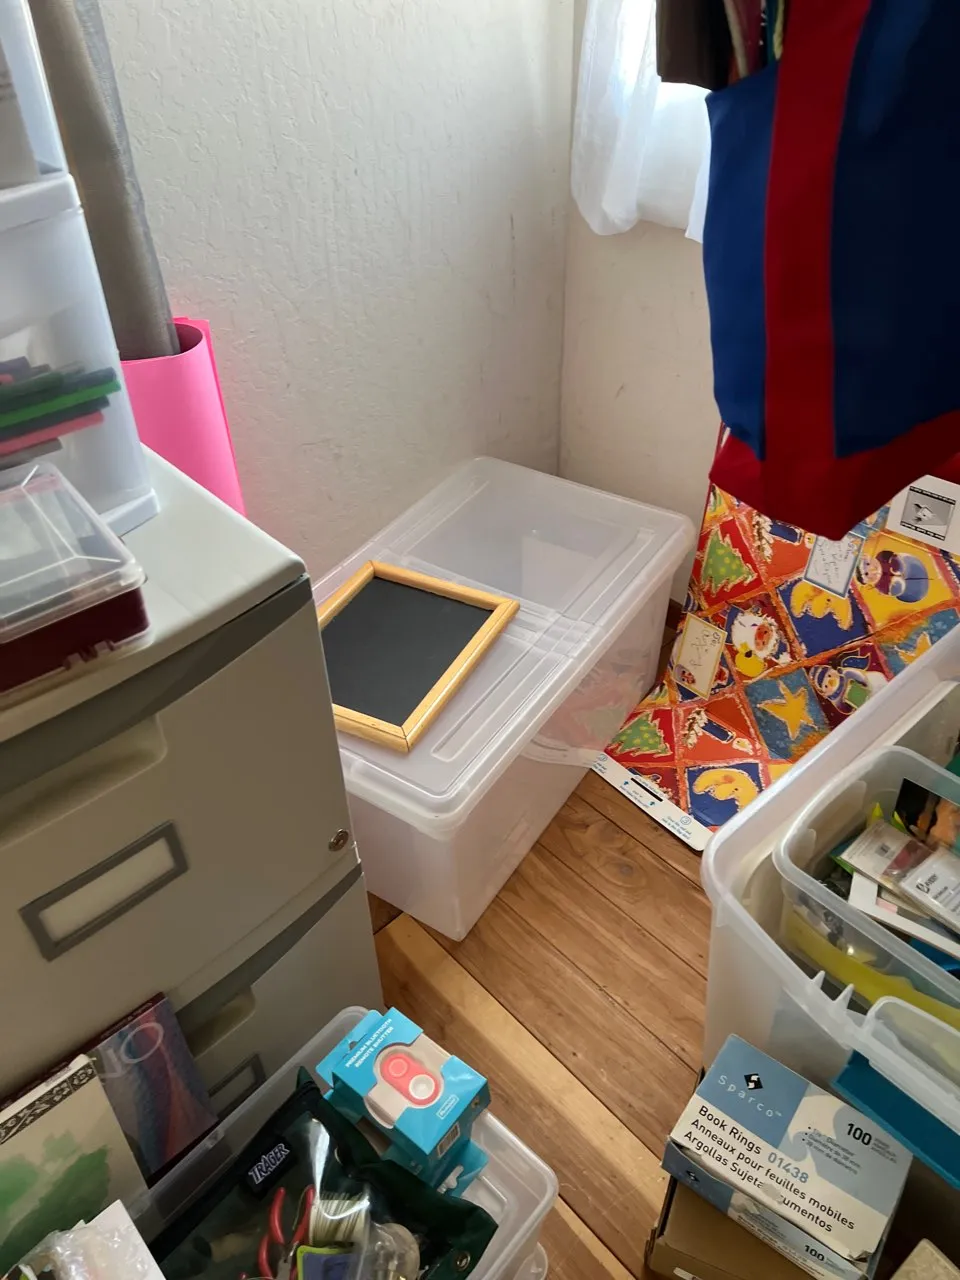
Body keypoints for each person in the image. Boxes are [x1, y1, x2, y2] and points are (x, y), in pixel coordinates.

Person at [855, 549, 929, 604]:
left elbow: (897, 559)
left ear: (867, 556)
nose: (872, 570)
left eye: (868, 564)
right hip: (913, 591)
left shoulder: (883, 556)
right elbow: (895, 590)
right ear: (865, 581)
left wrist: (897, 567)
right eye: (867, 574)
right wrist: (895, 580)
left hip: (912, 566)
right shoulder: (881, 586)